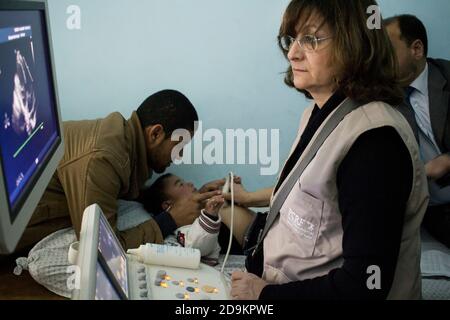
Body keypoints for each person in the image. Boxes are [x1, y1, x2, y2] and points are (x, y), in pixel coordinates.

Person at [229, 0, 429, 300]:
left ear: (355, 44)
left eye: (311, 39)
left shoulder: (375, 142)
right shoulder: (317, 112)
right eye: (292, 39)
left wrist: (264, 295)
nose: (293, 53)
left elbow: (363, 287)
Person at [15, 89, 223, 252]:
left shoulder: (123, 146)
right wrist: (172, 219)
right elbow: (102, 250)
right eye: (179, 145)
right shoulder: (104, 158)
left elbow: (117, 191)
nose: (179, 155)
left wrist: (191, 197)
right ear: (156, 133)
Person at [385, 14, 450, 248]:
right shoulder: (382, 97)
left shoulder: (447, 76)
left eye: (388, 51)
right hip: (429, 211)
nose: (380, 60)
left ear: (417, 49)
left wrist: (446, 162)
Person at [139, 173, 255, 264]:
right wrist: (209, 216)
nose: (189, 183)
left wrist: (231, 192)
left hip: (261, 224)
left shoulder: (202, 206)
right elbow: (198, 244)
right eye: (180, 184)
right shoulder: (185, 229)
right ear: (167, 205)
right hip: (256, 242)